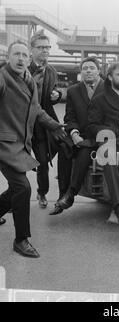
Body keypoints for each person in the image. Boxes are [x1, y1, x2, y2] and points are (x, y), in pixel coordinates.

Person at [0, 40, 66, 258]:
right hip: (4, 144)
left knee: (15, 189)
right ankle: (21, 239)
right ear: (8, 57)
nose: (20, 58)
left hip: (20, 144)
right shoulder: (2, 77)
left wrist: (54, 124)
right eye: (16, 54)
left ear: (29, 60)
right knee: (23, 188)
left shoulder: (28, 79)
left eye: (24, 55)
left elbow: (36, 109)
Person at [49, 57, 104, 216]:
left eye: (92, 68)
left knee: (85, 151)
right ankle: (62, 195)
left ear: (98, 70)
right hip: (79, 133)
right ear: (81, 72)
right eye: (85, 68)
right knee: (64, 147)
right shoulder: (73, 90)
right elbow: (70, 117)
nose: (88, 71)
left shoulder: (108, 89)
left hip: (99, 135)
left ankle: (71, 194)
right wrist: (73, 134)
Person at [87, 63, 119, 232]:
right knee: (110, 158)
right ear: (109, 77)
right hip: (108, 138)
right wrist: (108, 131)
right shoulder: (100, 99)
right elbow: (91, 125)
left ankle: (117, 209)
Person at [29, 30, 62, 209]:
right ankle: (16, 197)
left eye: (47, 48)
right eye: (41, 48)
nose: (45, 51)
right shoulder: (24, 69)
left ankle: (42, 192)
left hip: (46, 122)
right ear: (31, 50)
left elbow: (52, 95)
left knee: (50, 155)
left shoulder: (51, 71)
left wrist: (57, 95)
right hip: (26, 123)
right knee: (17, 164)